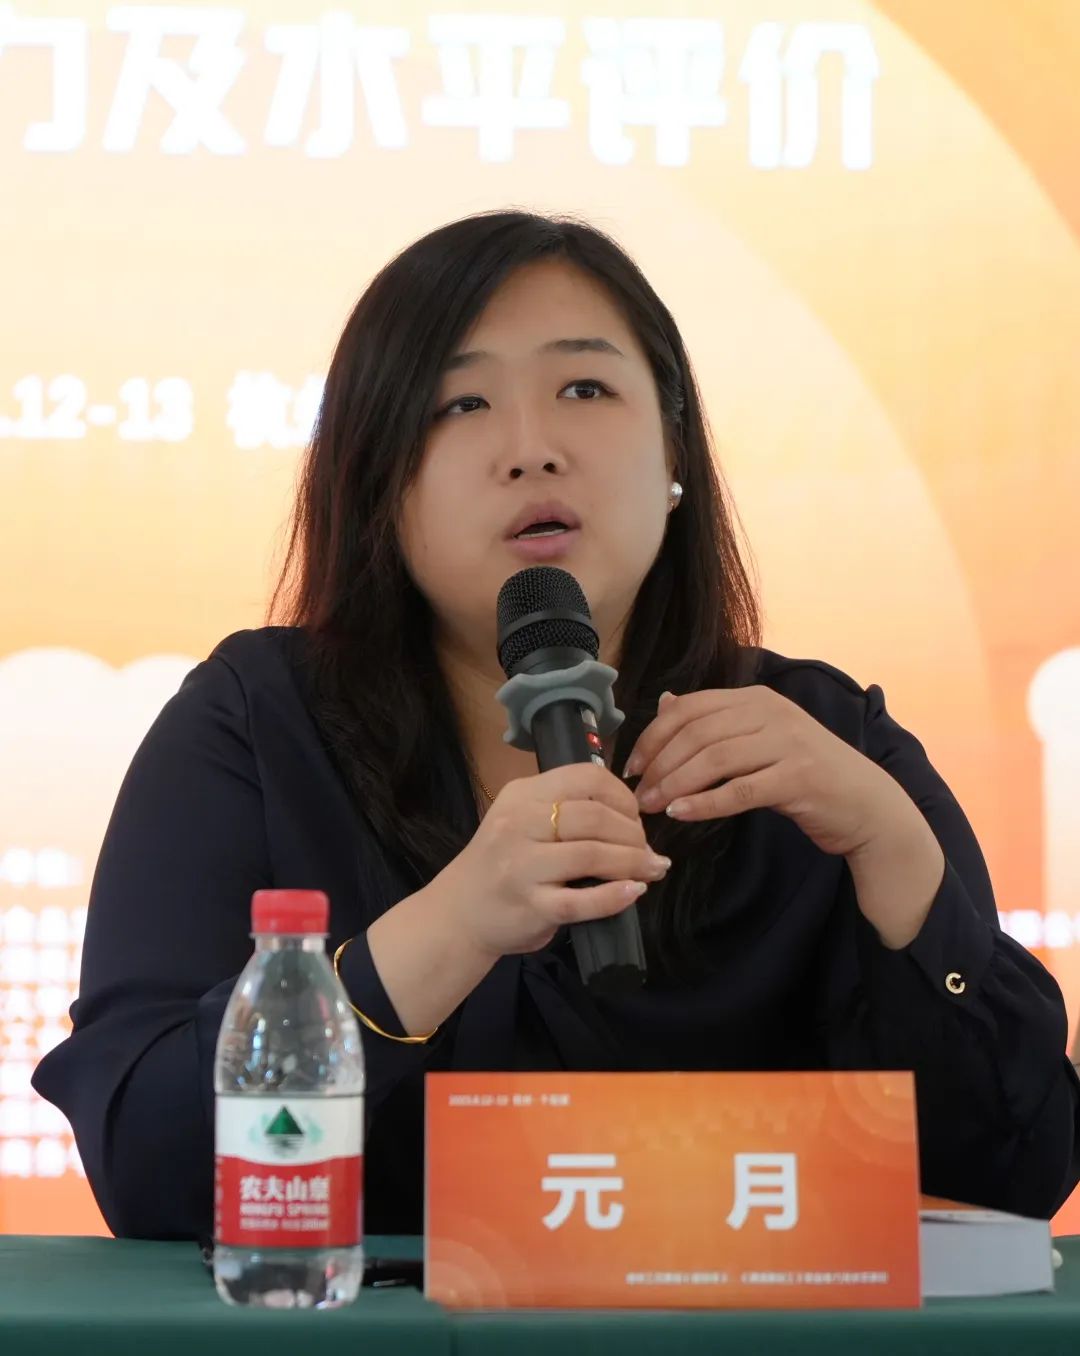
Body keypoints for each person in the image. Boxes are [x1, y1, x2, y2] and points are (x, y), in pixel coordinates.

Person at [33, 211, 1080, 1241]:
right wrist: (452, 926)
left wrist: (895, 855)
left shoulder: (825, 746)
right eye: (459, 404)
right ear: (378, 482)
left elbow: (1012, 1183)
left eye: (584, 389)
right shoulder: (257, 729)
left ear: (675, 451)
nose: (531, 450)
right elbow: (147, 1166)